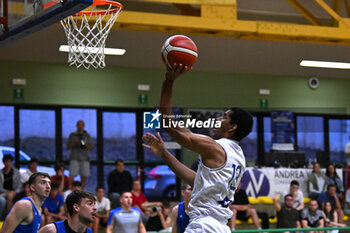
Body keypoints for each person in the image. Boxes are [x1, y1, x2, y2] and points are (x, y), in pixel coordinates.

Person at [142, 64, 254, 233]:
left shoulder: (215, 148)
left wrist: (168, 81)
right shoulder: (238, 156)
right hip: (219, 227)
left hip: (204, 226)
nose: (218, 118)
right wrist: (165, 154)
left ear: (232, 127)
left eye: (224, 116)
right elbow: (197, 181)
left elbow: (167, 123)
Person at [66, 120, 93, 189]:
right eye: (79, 125)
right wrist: (74, 142)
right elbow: (68, 147)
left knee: (84, 175)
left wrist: (84, 143)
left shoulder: (87, 135)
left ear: (84, 126)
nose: (80, 127)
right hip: (74, 157)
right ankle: (72, 189)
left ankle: (82, 190)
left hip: (84, 158)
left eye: (82, 125)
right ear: (77, 126)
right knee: (72, 174)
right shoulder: (72, 135)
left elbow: (91, 147)